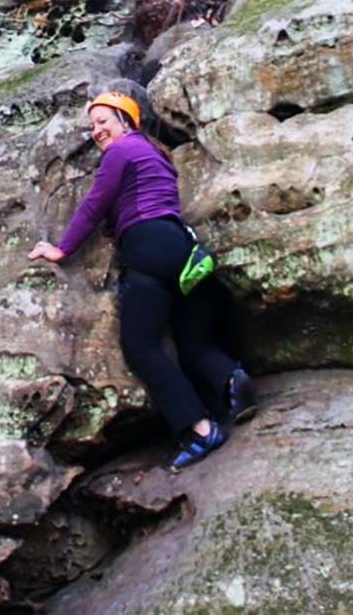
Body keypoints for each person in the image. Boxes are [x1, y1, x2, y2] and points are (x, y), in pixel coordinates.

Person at [28, 90, 256, 472]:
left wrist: (61, 249)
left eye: (104, 121)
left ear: (126, 120)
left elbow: (94, 202)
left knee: (142, 346)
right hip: (183, 250)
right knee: (194, 343)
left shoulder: (121, 151)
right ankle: (232, 380)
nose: (97, 130)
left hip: (148, 245)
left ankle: (201, 429)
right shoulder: (157, 156)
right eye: (92, 125)